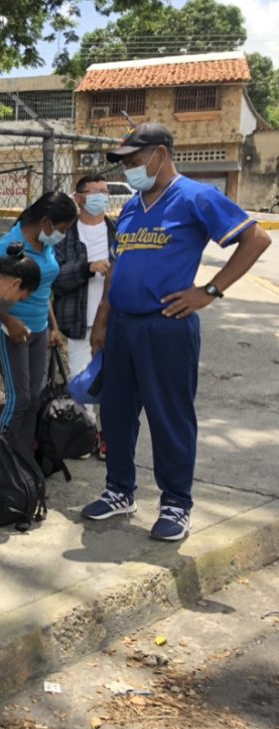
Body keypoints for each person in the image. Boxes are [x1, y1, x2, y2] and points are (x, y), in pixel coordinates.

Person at [82, 123, 271, 540]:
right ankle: (119, 491)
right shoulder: (132, 207)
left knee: (170, 417)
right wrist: (102, 318)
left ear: (161, 155)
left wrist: (209, 291)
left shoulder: (196, 197)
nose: (130, 169)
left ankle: (176, 504)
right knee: (115, 414)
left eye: (134, 161)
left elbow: (255, 240)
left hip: (167, 327)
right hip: (122, 328)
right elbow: (117, 267)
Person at [0, 192, 76, 457]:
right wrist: (8, 320)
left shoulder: (45, 245)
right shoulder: (11, 246)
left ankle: (23, 463)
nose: (64, 234)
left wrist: (53, 326)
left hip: (39, 329)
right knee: (20, 399)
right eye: (63, 229)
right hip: (11, 330)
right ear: (46, 222)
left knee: (34, 399)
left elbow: (42, 288)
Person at [53, 174, 119, 459]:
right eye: (95, 192)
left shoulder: (117, 231)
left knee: (116, 380)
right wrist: (87, 268)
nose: (102, 197)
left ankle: (109, 436)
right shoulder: (65, 234)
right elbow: (55, 278)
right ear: (79, 197)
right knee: (82, 381)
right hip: (79, 321)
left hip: (116, 319)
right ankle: (85, 435)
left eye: (105, 192)